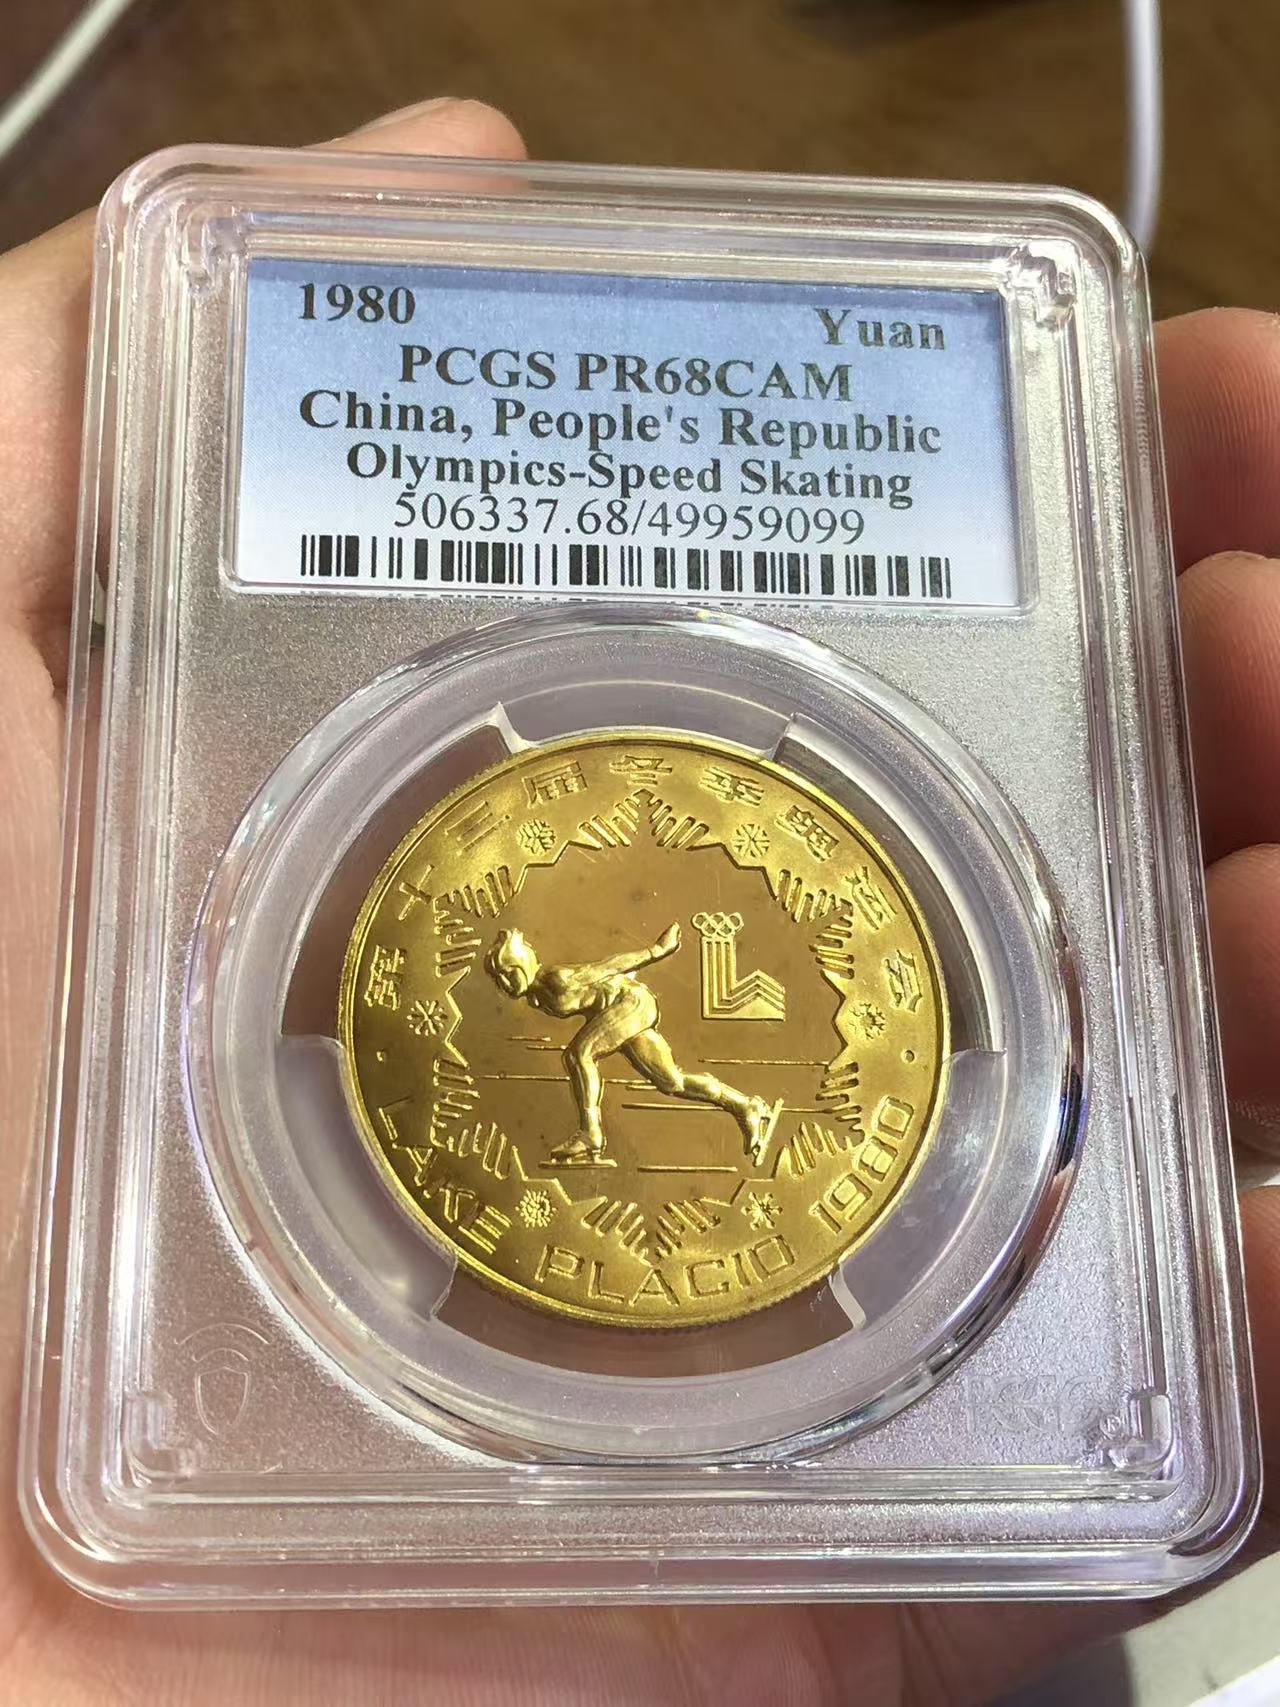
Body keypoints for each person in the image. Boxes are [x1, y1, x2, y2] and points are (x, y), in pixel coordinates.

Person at [0, 95, 1276, 1706]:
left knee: (648, 1076)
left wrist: (637, 952)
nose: (508, 960)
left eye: (512, 954)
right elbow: (549, 967)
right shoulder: (533, 977)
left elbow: (627, 951)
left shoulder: (572, 975)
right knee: (631, 1083)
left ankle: (735, 1114)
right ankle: (728, 1115)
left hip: (652, 1024)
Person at [484, 922, 779, 1163]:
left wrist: (655, 951)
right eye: (498, 978)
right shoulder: (537, 996)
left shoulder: (556, 980)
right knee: (672, 1082)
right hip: (620, 1013)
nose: (504, 984)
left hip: (631, 1004)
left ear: (521, 966)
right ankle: (745, 1106)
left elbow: (609, 967)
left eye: (507, 974)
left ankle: (590, 1134)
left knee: (579, 1054)